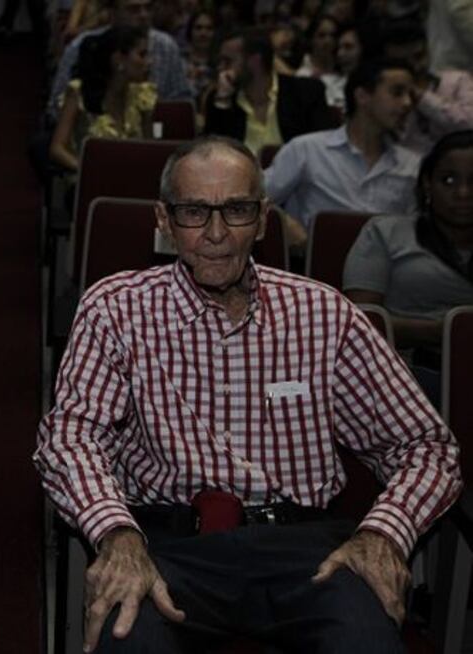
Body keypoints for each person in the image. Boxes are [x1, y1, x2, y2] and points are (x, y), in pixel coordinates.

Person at [34, 135, 461, 653]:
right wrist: (116, 535)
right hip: (169, 549)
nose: (215, 233)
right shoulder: (116, 309)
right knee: (130, 639)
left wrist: (384, 535)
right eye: (194, 212)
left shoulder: (322, 314)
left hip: (308, 554)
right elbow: (70, 439)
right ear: (164, 221)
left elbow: (426, 446)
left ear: (261, 219)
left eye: (235, 210)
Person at [343, 130, 473, 394]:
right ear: (427, 184)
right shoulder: (385, 233)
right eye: (448, 180)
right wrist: (446, 332)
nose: (462, 193)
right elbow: (360, 323)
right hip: (405, 371)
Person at [264, 57, 419, 231]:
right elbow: (253, 199)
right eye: (397, 93)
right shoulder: (306, 150)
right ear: (362, 96)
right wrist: (286, 225)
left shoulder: (412, 166)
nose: (407, 103)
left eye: (410, 95)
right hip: (315, 256)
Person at [47, 0, 192, 119]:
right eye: (134, 10)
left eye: (148, 8)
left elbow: (182, 100)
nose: (144, 15)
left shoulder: (166, 46)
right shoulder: (82, 45)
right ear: (113, 13)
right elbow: (56, 106)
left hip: (153, 130)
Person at [203, 27, 336, 157]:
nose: (221, 67)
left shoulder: (306, 92)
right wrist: (222, 101)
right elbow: (210, 153)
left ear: (255, 60)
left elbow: (321, 149)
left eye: (227, 61)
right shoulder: (221, 99)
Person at [49, 25, 155, 172]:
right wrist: (89, 172)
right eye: (142, 54)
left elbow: (151, 149)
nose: (149, 62)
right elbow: (57, 149)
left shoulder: (142, 95)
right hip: (89, 181)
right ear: (119, 59)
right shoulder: (79, 92)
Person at [380, 21, 473, 155]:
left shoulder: (458, 80)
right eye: (404, 62)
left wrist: (422, 98)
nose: (415, 67)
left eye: (419, 56)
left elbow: (470, 125)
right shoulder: (385, 95)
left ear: (428, 50)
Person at [295, 14, 346, 108]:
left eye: (333, 35)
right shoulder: (303, 76)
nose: (328, 41)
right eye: (321, 36)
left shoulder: (346, 72)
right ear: (311, 40)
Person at [181, 9, 214, 106]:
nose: (203, 33)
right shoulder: (178, 62)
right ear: (190, 31)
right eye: (198, 28)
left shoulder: (221, 64)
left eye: (209, 28)